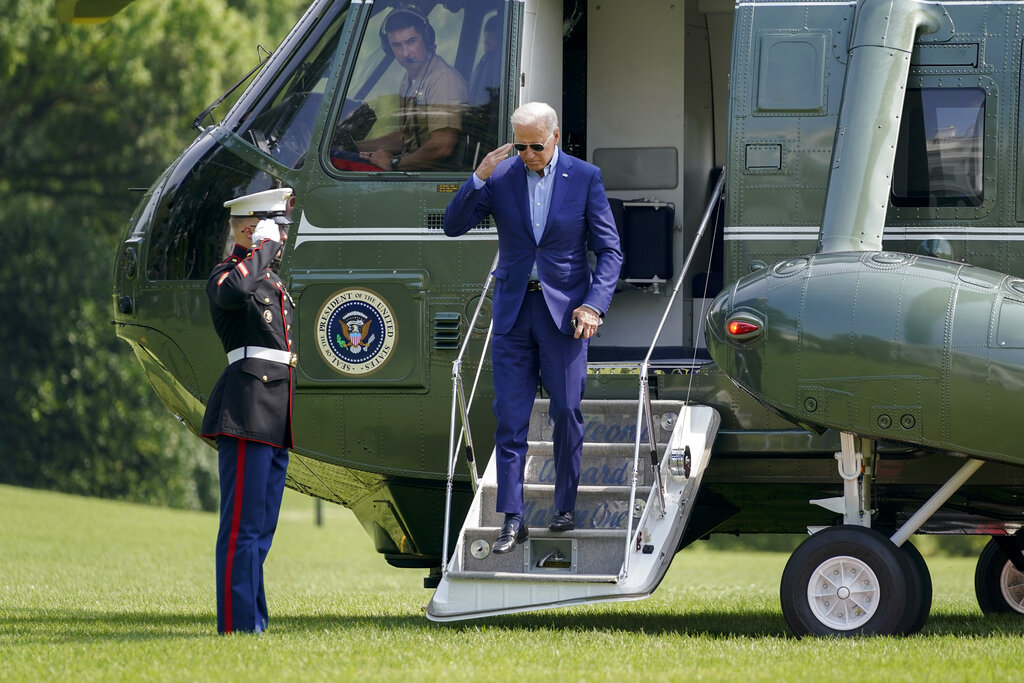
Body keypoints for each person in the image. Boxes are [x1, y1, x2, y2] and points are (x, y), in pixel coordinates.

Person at [443, 102, 622, 554]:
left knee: (566, 410)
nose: (527, 155)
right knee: (510, 418)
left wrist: (593, 306)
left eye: (535, 146)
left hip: (566, 317)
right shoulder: (501, 176)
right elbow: (453, 226)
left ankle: (565, 506)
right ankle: (512, 518)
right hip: (513, 312)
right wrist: (479, 177)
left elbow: (609, 251)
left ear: (555, 137)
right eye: (520, 146)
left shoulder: (585, 177)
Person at [201, 187, 296, 633]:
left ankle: (253, 620)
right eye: (276, 228)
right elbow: (232, 292)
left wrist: (264, 253)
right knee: (241, 526)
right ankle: (237, 624)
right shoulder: (229, 274)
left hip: (274, 411)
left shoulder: (268, 279)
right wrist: (263, 248)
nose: (283, 237)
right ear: (249, 229)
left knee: (261, 528)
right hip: (246, 408)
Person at [358, 7, 467, 171]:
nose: (405, 53)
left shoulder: (442, 80)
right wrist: (358, 147)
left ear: (427, 39)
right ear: (389, 48)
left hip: (437, 178)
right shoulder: (410, 79)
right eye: (397, 45)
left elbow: (442, 146)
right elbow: (405, 137)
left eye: (411, 42)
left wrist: (394, 164)